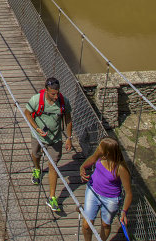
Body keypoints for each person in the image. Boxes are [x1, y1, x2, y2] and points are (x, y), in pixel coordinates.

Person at [24, 77, 73, 213]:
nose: (56, 96)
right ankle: (37, 168)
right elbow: (27, 113)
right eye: (52, 93)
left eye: (57, 93)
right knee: (36, 154)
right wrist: (36, 128)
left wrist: (69, 138)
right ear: (46, 91)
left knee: (53, 166)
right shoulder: (36, 100)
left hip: (55, 139)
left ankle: (52, 197)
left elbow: (68, 119)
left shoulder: (63, 102)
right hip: (38, 136)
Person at [80, 137, 132, 241]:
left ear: (108, 152)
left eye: (101, 147)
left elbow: (129, 193)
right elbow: (93, 158)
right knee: (86, 225)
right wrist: (83, 167)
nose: (98, 148)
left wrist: (124, 211)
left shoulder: (121, 168)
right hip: (93, 191)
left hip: (110, 199)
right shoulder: (101, 156)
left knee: (105, 225)